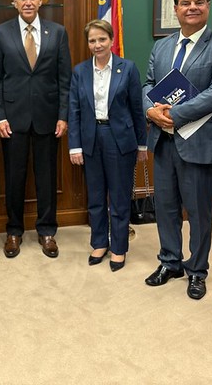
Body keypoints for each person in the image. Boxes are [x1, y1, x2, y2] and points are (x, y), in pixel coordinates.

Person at [142, 0, 212, 300]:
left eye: (199, 2)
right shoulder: (161, 47)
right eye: (185, 3)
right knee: (166, 208)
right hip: (163, 141)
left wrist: (175, 114)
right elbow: (148, 84)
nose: (192, 7)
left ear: (208, 6)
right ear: (176, 9)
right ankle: (170, 262)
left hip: (199, 142)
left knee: (198, 212)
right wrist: (150, 111)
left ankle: (197, 270)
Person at [0, 0, 72, 258]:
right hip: (12, 120)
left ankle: (47, 231)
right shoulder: (0, 33)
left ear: (40, 0)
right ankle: (14, 231)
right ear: (14, 2)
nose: (27, 2)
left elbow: (64, 79)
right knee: (14, 178)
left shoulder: (57, 32)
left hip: (49, 118)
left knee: (47, 177)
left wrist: (63, 115)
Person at [68, 19, 147, 271]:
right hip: (91, 138)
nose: (97, 44)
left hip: (120, 139)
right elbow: (74, 110)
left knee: (120, 196)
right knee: (96, 196)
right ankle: (99, 242)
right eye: (92, 40)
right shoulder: (80, 71)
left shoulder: (128, 68)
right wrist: (74, 146)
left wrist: (142, 145)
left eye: (102, 39)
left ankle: (119, 247)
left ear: (111, 40)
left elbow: (137, 109)